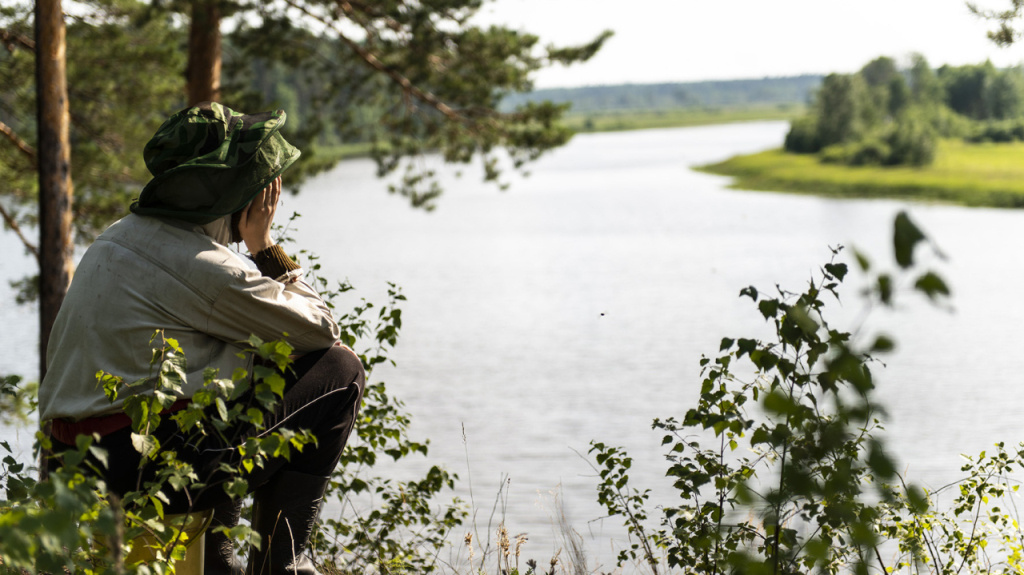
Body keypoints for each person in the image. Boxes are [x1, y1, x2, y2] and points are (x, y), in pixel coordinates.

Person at [38, 102, 365, 575]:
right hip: (141, 470)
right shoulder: (202, 265)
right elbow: (319, 331)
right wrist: (264, 247)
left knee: (240, 359)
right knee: (340, 371)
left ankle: (215, 558)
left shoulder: (116, 236)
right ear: (234, 192)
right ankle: (284, 562)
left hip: (74, 465)